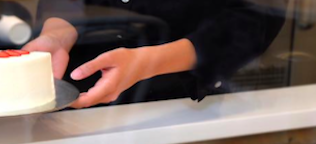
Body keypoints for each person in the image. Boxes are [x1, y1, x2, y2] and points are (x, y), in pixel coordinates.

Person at [24, 0, 287, 108]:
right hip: (72, 92)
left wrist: (148, 61)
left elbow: (253, 22)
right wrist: (59, 30)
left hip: (172, 105)